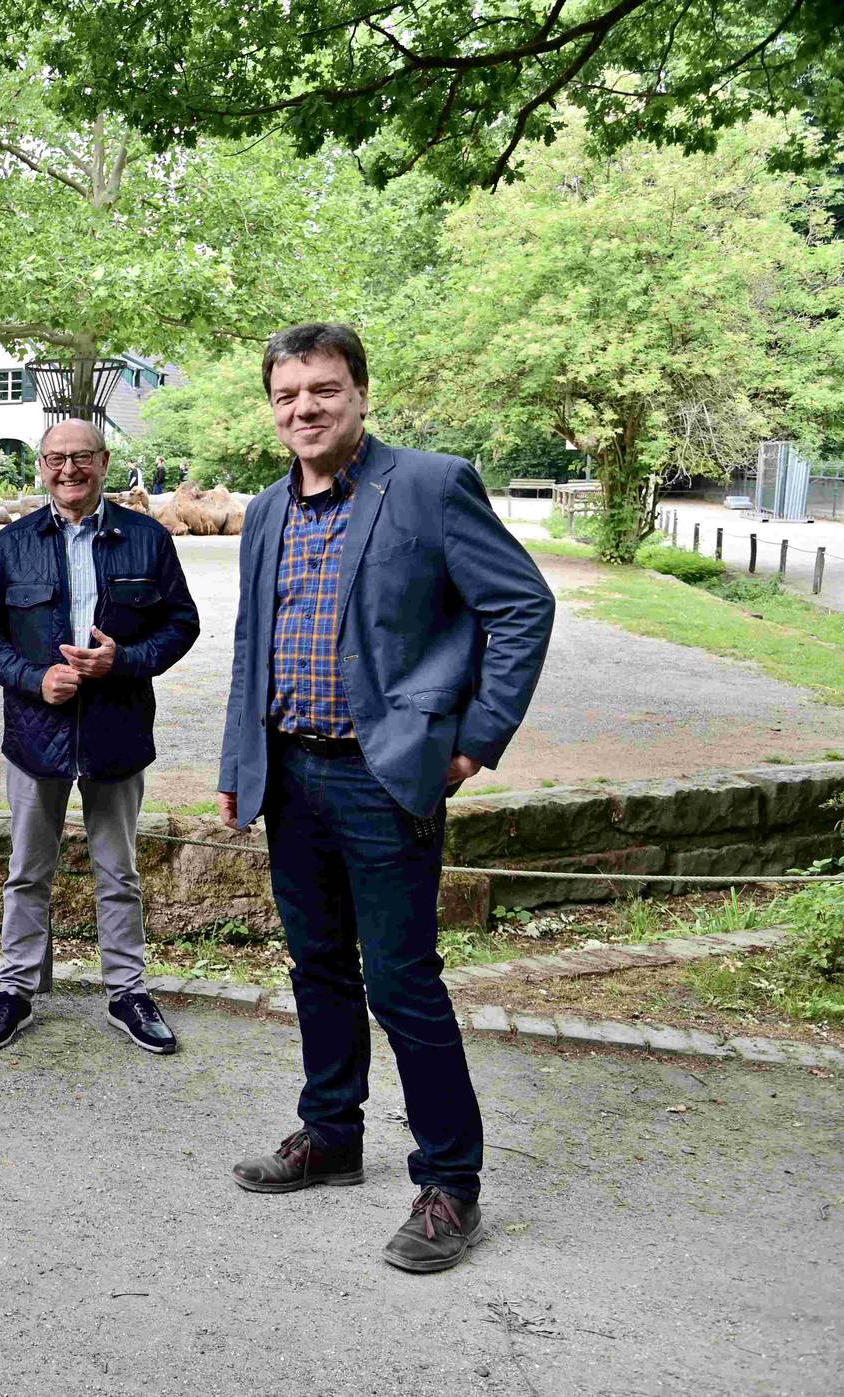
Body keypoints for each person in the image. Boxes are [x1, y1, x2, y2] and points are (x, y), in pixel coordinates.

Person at [217, 323, 554, 1273]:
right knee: (317, 965)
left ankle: (451, 1184)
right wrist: (240, 763)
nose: (304, 410)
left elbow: (522, 603)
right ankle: (331, 1134)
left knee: (403, 981)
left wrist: (476, 739)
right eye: (287, 396)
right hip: (290, 771)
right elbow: (254, 645)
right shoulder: (266, 510)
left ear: (360, 392)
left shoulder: (430, 485)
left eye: (322, 390)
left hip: (384, 776)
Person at [0, 419, 200, 1054]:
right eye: (55, 459)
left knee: (117, 869)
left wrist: (121, 662)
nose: (68, 470)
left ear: (104, 461)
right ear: (41, 467)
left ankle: (127, 991)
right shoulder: (12, 544)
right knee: (26, 869)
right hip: (35, 733)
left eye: (81, 458)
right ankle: (15, 988)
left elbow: (182, 625)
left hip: (115, 729)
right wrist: (34, 679)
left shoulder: (148, 539)